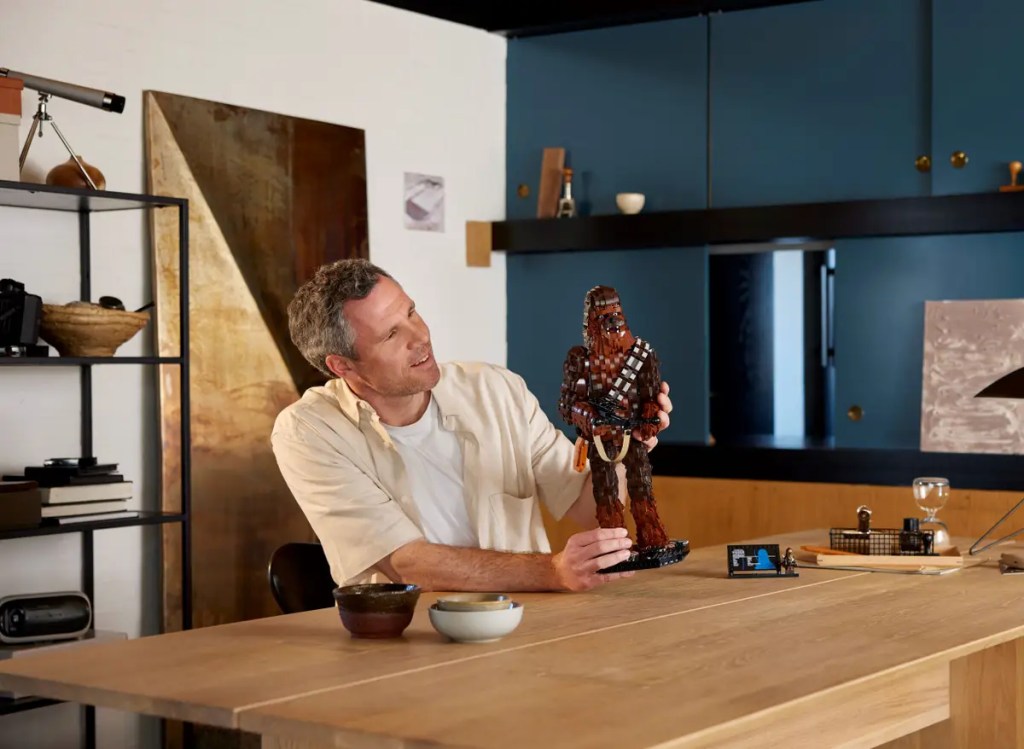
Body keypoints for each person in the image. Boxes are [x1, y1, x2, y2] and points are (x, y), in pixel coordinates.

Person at [270, 258, 673, 593]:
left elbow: (588, 508)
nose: (421, 336)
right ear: (341, 366)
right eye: (392, 334)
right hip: (407, 640)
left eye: (411, 312)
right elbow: (406, 563)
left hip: (525, 625)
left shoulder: (496, 389)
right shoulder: (309, 431)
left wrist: (623, 441)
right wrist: (551, 572)